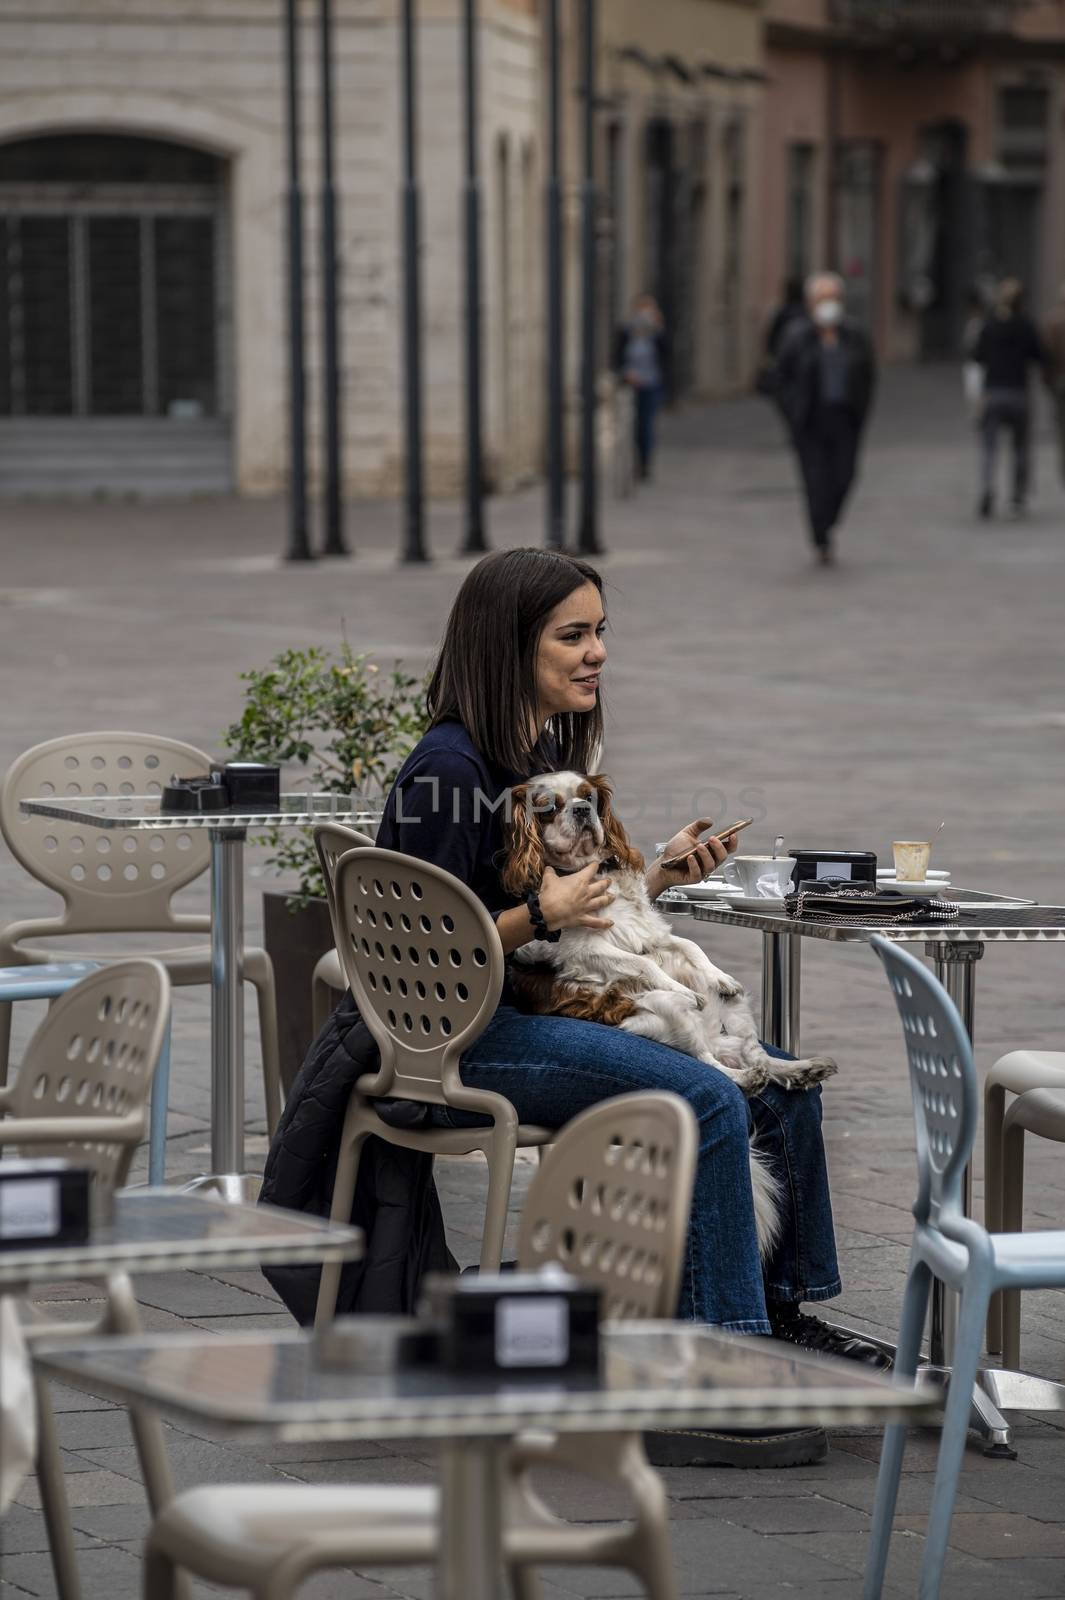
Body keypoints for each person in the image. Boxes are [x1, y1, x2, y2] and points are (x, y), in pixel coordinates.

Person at [375, 546, 889, 1469]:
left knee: (780, 1082)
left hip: (555, 1005)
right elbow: (418, 952)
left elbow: (574, 922)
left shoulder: (527, 753)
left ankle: (783, 1315)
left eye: (600, 631)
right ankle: (709, 1369)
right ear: (507, 647)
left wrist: (649, 878)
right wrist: (539, 910)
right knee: (705, 1095)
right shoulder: (446, 772)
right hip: (473, 1037)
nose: (596, 652)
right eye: (572, 635)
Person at [775, 272, 876, 566]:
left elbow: (868, 376)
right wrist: (792, 411)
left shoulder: (854, 335)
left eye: (833, 298)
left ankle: (828, 521)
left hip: (845, 417)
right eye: (822, 298)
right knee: (816, 480)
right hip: (811, 419)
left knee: (845, 475)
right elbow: (781, 379)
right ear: (810, 302)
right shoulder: (797, 337)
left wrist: (862, 409)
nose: (828, 304)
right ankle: (820, 535)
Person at [974, 277, 1047, 520]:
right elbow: (1039, 355)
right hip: (1018, 392)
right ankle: (1017, 495)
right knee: (1020, 447)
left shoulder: (989, 324)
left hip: (993, 390)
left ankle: (987, 488)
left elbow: (976, 356)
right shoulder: (1025, 325)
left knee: (989, 447)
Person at [614, 293, 667, 481]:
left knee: (646, 425)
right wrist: (626, 373)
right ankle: (630, 460)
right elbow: (617, 357)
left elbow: (666, 359)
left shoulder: (657, 334)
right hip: (631, 383)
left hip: (651, 383)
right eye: (642, 308)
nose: (645, 314)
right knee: (630, 424)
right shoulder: (626, 332)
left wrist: (658, 330)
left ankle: (644, 463)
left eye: (649, 309)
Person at [1044, 280, 1065, 488]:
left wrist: (1047, 380)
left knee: (1061, 427)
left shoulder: (1053, 320)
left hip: (1060, 380)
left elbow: (1047, 355)